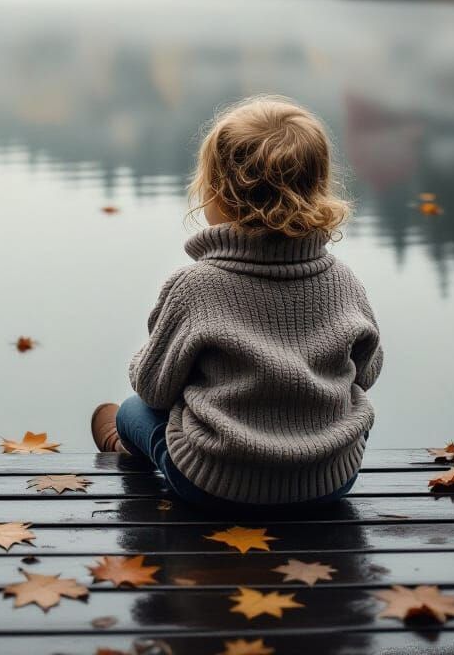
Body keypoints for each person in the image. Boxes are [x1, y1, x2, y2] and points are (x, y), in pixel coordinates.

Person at [90, 94, 383, 509]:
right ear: (317, 191)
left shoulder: (197, 287)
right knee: (356, 405)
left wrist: (149, 357)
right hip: (328, 483)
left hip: (216, 485)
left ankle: (124, 447)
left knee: (131, 411)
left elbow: (154, 389)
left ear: (218, 193)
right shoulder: (343, 281)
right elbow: (367, 373)